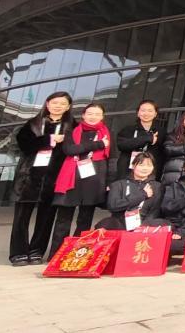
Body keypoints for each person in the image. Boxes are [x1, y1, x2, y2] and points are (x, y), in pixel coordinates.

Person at [10, 91, 74, 266]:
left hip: (54, 178)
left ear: (68, 107)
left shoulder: (73, 126)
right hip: (29, 177)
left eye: (62, 103)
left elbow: (74, 149)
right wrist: (49, 139)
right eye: (55, 102)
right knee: (21, 218)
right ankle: (18, 252)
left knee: (46, 218)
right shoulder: (33, 123)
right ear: (47, 104)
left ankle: (36, 250)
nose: (58, 106)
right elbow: (23, 144)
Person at [49, 103, 111, 258]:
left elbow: (112, 158)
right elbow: (69, 150)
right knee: (63, 219)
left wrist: (109, 182)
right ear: (83, 115)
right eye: (90, 113)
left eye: (97, 114)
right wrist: (98, 144)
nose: (93, 117)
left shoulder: (107, 133)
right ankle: (56, 254)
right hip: (71, 179)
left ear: (102, 117)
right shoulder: (72, 131)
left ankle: (76, 254)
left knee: (84, 221)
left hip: (93, 181)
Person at [95, 152, 164, 230]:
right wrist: (142, 195)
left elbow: (154, 212)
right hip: (120, 222)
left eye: (149, 165)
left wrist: (143, 227)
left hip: (144, 225)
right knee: (105, 224)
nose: (145, 168)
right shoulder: (119, 184)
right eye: (141, 165)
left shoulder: (157, 186)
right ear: (133, 166)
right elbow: (113, 206)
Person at [114, 100, 162, 182]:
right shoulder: (128, 130)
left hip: (150, 172)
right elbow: (122, 145)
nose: (146, 113)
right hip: (127, 170)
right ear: (138, 113)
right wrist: (147, 138)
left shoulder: (161, 132)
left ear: (155, 114)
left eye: (150, 111)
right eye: (143, 110)